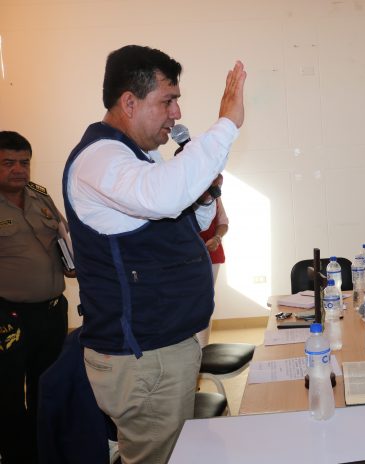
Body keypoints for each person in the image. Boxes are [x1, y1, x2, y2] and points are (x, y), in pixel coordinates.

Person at [62, 45, 245, 463]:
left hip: (162, 350)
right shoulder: (100, 158)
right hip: (143, 359)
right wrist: (227, 123)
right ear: (129, 103)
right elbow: (163, 197)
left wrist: (205, 195)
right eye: (168, 100)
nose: (177, 113)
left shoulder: (138, 157)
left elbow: (184, 225)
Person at [0, 131, 73, 464]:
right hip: (9, 317)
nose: (19, 169)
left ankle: (46, 452)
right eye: (8, 163)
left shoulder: (40, 196)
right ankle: (18, 456)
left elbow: (64, 236)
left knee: (49, 386)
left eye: (24, 162)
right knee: (9, 393)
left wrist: (72, 263)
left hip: (52, 312)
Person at [196, 192, 229, 347]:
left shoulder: (215, 195)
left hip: (211, 253)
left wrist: (217, 238)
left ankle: (203, 348)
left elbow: (223, 222)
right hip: (183, 255)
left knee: (205, 301)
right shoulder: (181, 192)